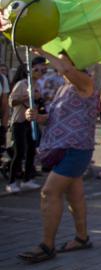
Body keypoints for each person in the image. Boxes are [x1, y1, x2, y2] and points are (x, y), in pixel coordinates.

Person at [17, 50, 97, 263]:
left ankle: (47, 245)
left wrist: (42, 50)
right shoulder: (64, 87)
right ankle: (82, 238)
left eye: (63, 58)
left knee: (49, 192)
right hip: (62, 148)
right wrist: (37, 117)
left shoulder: (85, 81)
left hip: (75, 149)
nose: (57, 63)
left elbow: (65, 69)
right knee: (75, 195)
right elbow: (54, 118)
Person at [7, 57, 46, 193]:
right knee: (20, 152)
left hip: (31, 122)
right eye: (37, 69)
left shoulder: (38, 85)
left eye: (43, 70)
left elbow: (39, 104)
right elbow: (11, 102)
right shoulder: (22, 84)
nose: (40, 72)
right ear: (31, 69)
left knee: (31, 151)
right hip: (19, 122)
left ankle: (27, 179)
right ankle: (11, 182)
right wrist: (27, 97)